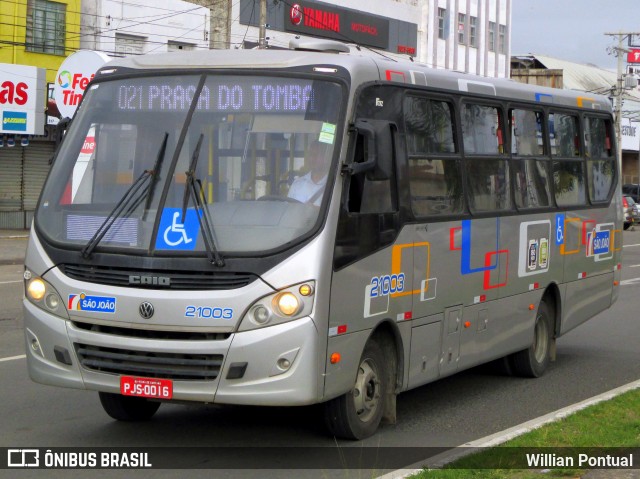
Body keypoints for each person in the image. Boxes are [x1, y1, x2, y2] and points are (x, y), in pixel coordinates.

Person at [287, 140, 330, 205]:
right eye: (310, 155)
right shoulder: (297, 184)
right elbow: (288, 210)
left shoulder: (333, 186)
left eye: (316, 155)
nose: (312, 159)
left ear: (326, 158)